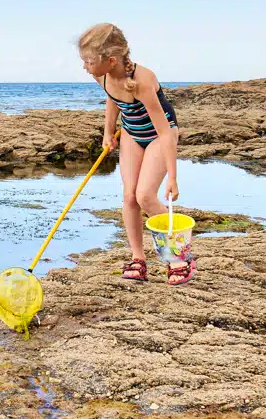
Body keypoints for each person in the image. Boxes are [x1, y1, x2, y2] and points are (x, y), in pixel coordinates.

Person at [78, 23, 191, 285]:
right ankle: (138, 259)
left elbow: (164, 132)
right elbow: (111, 98)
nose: (84, 67)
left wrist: (173, 177)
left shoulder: (141, 82)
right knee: (129, 196)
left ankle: (180, 258)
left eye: (88, 61)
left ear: (111, 60)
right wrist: (108, 131)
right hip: (131, 134)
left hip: (160, 136)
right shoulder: (102, 76)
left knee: (145, 196)